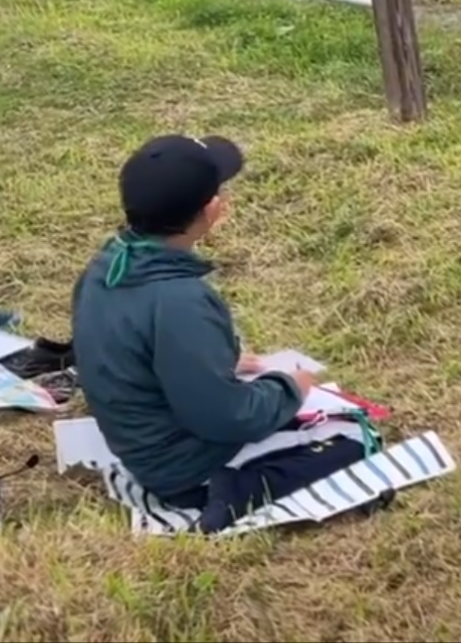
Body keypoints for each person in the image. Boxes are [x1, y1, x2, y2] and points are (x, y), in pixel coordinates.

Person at [71, 134, 364, 533]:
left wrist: (217, 361)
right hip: (182, 471)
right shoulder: (180, 300)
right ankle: (235, 491)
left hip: (137, 447)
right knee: (354, 441)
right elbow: (225, 417)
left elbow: (132, 347)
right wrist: (288, 386)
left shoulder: (107, 265)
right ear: (212, 210)